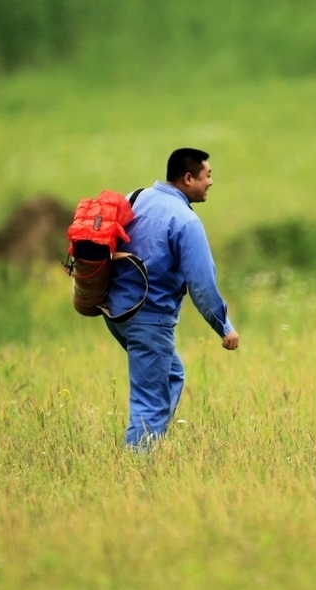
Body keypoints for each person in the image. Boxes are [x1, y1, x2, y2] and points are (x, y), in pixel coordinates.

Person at [104, 148, 239, 448]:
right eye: (208, 175)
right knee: (150, 401)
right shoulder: (185, 221)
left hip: (114, 312)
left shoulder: (135, 197)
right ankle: (136, 469)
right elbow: (202, 285)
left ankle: (151, 444)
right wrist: (224, 326)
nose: (211, 182)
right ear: (188, 178)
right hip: (148, 319)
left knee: (171, 375)